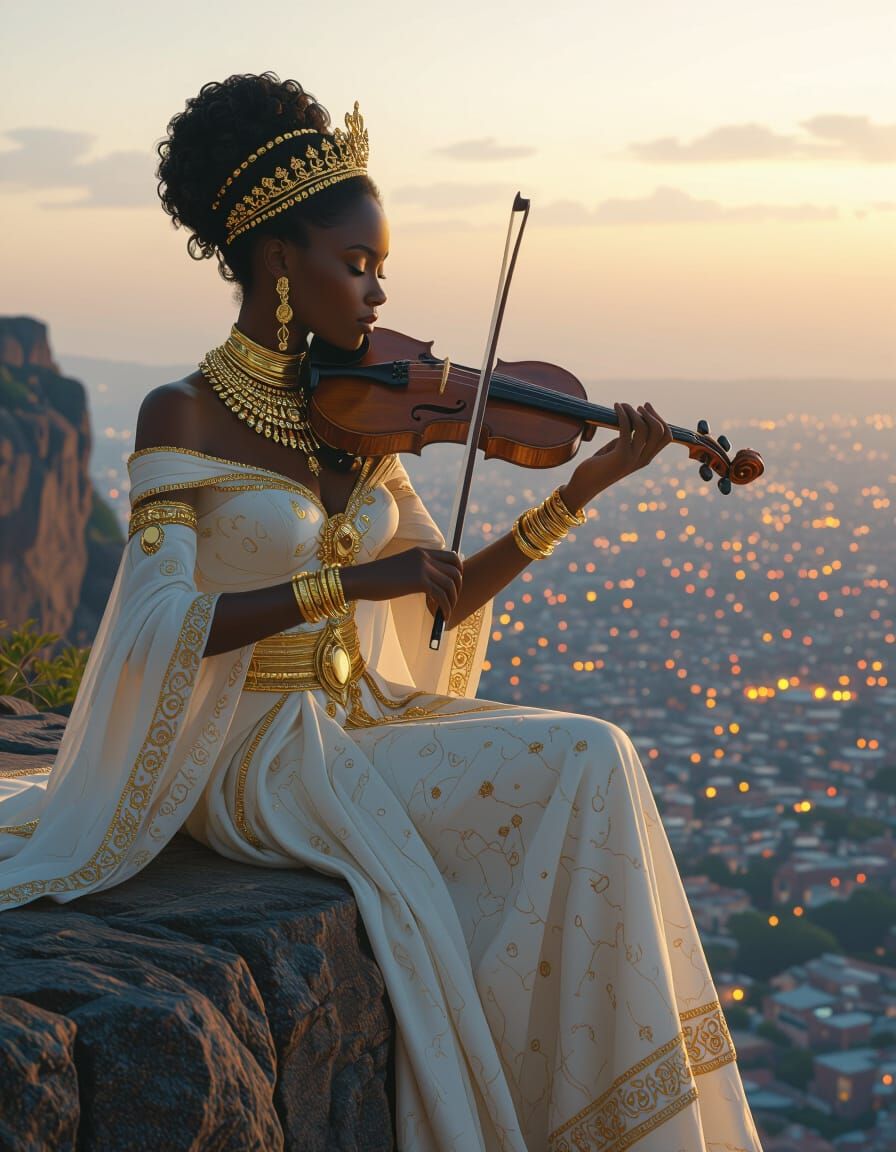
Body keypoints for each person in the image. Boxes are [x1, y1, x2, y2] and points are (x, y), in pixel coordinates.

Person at [0, 73, 762, 1152]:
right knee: (589, 761)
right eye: (354, 266)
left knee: (597, 754)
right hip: (251, 750)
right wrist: (345, 586)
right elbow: (156, 627)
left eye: (380, 272)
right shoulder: (185, 415)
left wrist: (584, 489)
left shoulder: (352, 422)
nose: (373, 298)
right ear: (277, 260)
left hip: (354, 721)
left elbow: (441, 595)